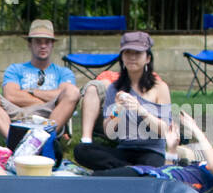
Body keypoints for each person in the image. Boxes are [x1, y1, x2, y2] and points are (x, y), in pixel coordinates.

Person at [73, 31, 172, 170]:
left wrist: (141, 110)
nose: (132, 57)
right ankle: (131, 171)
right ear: (122, 57)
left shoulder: (159, 88)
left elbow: (165, 130)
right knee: (81, 150)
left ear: (148, 58)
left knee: (150, 164)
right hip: (124, 151)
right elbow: (109, 132)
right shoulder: (115, 88)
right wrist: (117, 109)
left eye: (137, 53)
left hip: (151, 152)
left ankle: (119, 173)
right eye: (127, 53)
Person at [0, 19, 80, 146]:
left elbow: (68, 95)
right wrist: (50, 99)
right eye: (38, 41)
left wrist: (31, 91)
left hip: (49, 116)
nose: (43, 46)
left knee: (73, 92)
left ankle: (43, 142)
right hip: (18, 114)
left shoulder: (64, 72)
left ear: (52, 44)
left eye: (47, 42)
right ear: (29, 44)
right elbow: (11, 96)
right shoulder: (15, 69)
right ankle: (14, 143)